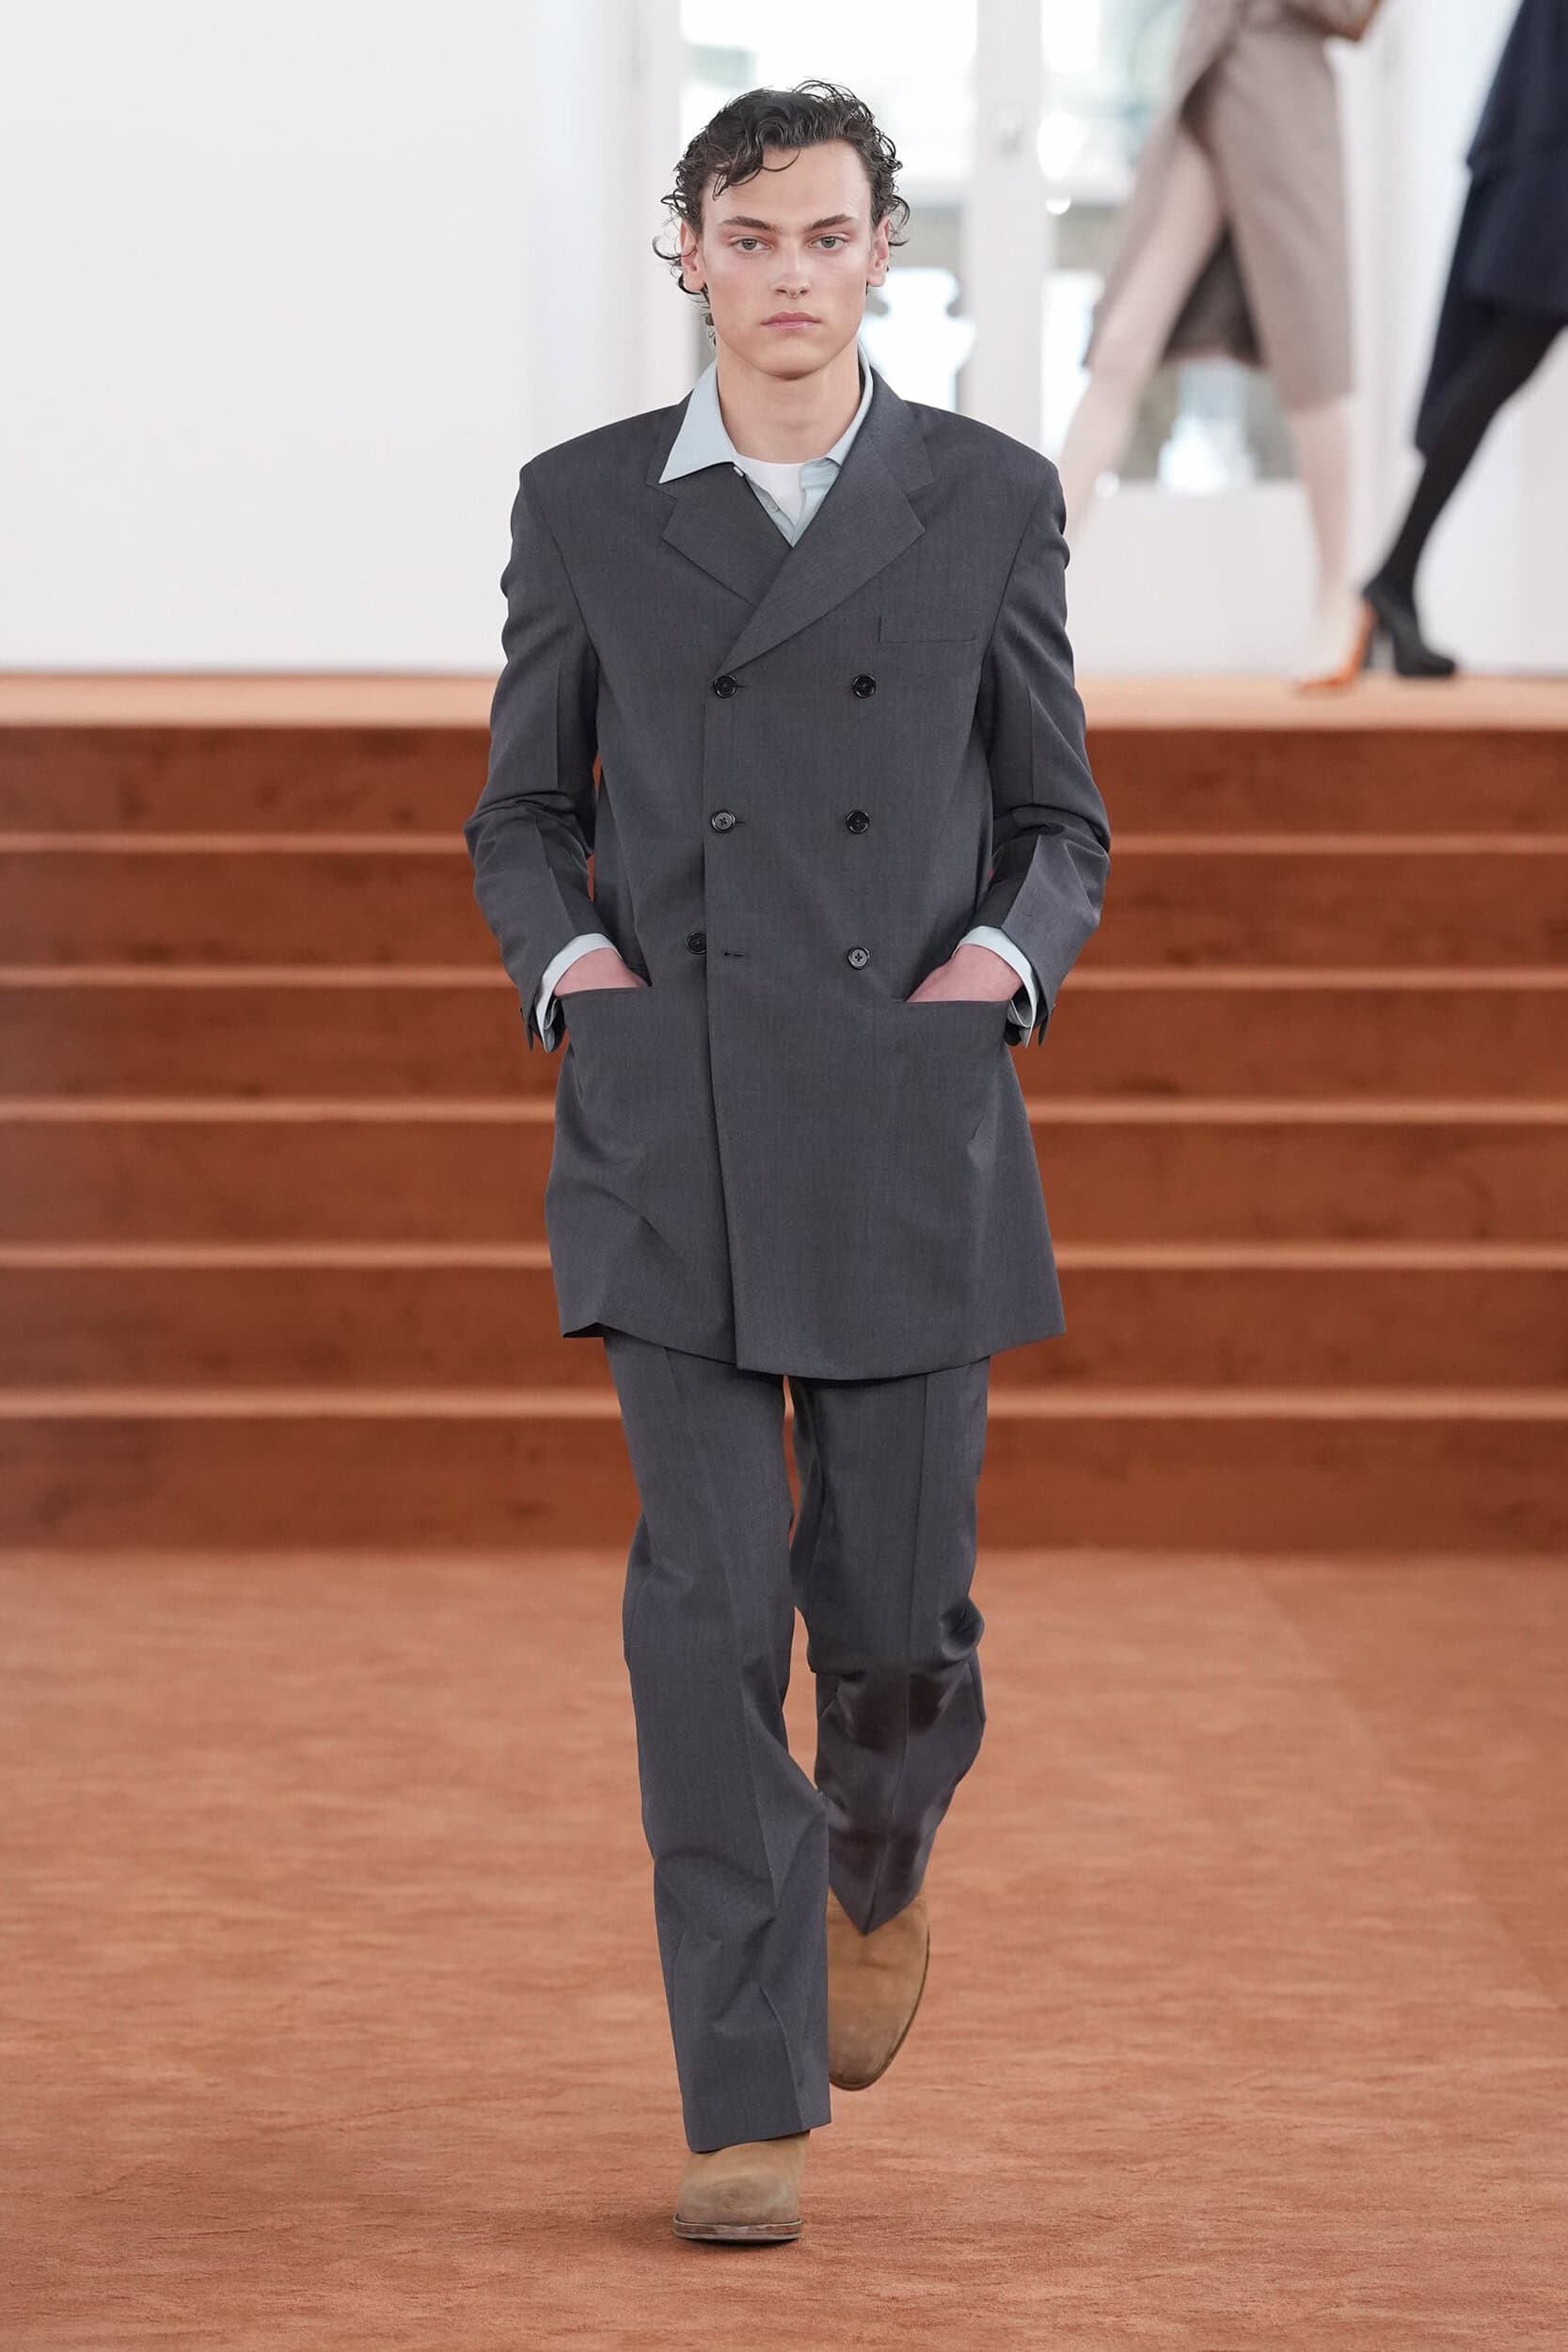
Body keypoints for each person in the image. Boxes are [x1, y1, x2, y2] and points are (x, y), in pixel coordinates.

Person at [462, 80, 1111, 2246]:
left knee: (891, 1621)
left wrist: (995, 971)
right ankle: (742, 2092)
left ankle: (878, 1849)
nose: (789, 276)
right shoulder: (583, 506)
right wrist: (578, 975)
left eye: (828, 236)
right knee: (710, 1610)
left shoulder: (986, 500)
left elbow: (1058, 823)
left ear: (881, 251)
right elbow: (520, 811)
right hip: (677, 1129)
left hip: (909, 1121)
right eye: (748, 236)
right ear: (691, 251)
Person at [1055, 0, 1386, 686]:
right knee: (1120, 345)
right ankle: (1020, 579)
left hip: (1278, 86)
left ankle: (1337, 598)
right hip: (1203, 76)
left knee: (1309, 358)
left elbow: (1354, 13)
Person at [1325, 0, 1568, 681]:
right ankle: (1392, 580)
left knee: (1495, 366)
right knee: (1496, 364)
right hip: (1544, 165)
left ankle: (1393, 579)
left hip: (1535, 158)